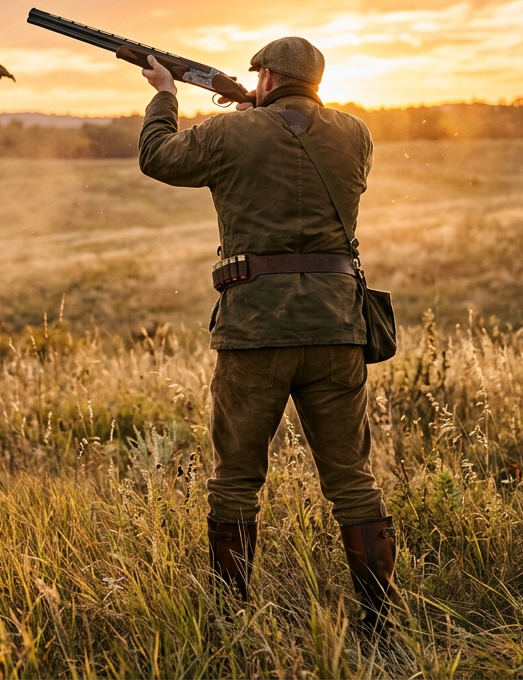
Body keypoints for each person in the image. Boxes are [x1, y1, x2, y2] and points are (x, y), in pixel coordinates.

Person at [137, 39, 396, 630]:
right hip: (337, 327)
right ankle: (381, 626)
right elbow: (300, 151)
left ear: (268, 76)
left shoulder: (232, 135)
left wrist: (165, 96)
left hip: (255, 328)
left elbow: (158, 158)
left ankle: (231, 622)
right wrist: (257, 113)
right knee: (353, 481)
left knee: (235, 481)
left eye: (257, 77)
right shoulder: (356, 134)